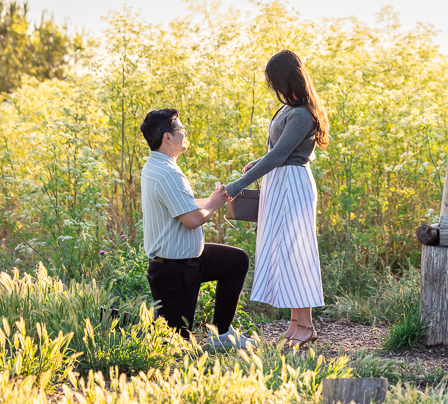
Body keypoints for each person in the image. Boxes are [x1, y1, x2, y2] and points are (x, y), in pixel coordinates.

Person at [225, 50, 328, 347]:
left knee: (297, 250)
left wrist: (239, 184)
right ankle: (297, 321)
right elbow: (278, 150)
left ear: (286, 77)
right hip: (279, 182)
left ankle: (306, 324)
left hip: (292, 185)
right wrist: (258, 163)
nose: (273, 87)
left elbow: (283, 155)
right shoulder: (288, 109)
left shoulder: (302, 113)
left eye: (274, 80)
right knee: (284, 251)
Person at [139, 107, 252, 348]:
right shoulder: (167, 173)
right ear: (167, 137)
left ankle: (222, 333)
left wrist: (213, 200)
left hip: (191, 260)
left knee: (236, 260)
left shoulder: (157, 166)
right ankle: (119, 320)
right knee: (175, 343)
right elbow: (191, 220)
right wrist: (213, 203)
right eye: (181, 129)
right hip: (173, 272)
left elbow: (183, 207)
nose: (185, 132)